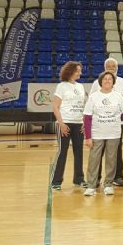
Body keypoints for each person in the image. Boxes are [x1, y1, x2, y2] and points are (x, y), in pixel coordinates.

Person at [83, 71, 123, 196]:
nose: (107, 81)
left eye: (110, 79)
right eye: (105, 79)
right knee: (94, 160)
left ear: (113, 83)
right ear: (100, 82)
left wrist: (117, 116)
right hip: (97, 133)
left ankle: (108, 184)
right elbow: (87, 117)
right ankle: (91, 185)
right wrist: (88, 137)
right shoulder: (94, 97)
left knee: (111, 160)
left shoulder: (118, 96)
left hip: (113, 133)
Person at [50, 61, 87, 190]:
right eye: (78, 70)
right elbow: (55, 107)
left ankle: (79, 179)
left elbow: (83, 107)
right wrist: (61, 124)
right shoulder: (62, 86)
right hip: (65, 123)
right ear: (70, 71)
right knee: (62, 152)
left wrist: (84, 123)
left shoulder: (81, 87)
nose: (80, 73)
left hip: (79, 124)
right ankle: (56, 181)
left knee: (79, 152)